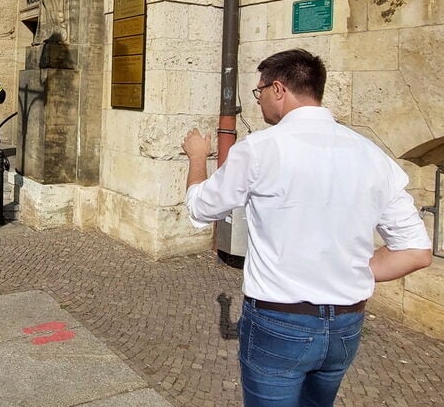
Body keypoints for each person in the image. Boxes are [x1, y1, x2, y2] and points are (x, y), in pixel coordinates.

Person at [181, 48, 432, 407]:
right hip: (346, 323)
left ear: (279, 89)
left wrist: (196, 158)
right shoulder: (373, 156)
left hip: (279, 319)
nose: (259, 101)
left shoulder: (261, 148)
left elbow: (202, 207)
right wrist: (350, 270)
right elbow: (416, 251)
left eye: (260, 92)